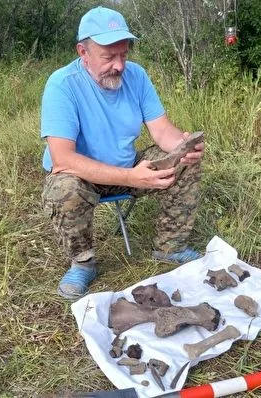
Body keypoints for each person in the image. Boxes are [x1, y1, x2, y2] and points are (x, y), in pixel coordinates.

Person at [40, 6, 205, 299]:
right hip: (82, 176)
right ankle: (83, 263)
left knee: (185, 162)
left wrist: (182, 145)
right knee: (62, 187)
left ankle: (170, 248)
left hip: (129, 168)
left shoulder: (137, 77)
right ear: (83, 52)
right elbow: (63, 159)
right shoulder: (62, 85)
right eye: (108, 57)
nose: (118, 65)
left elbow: (161, 130)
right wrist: (131, 177)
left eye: (123, 55)